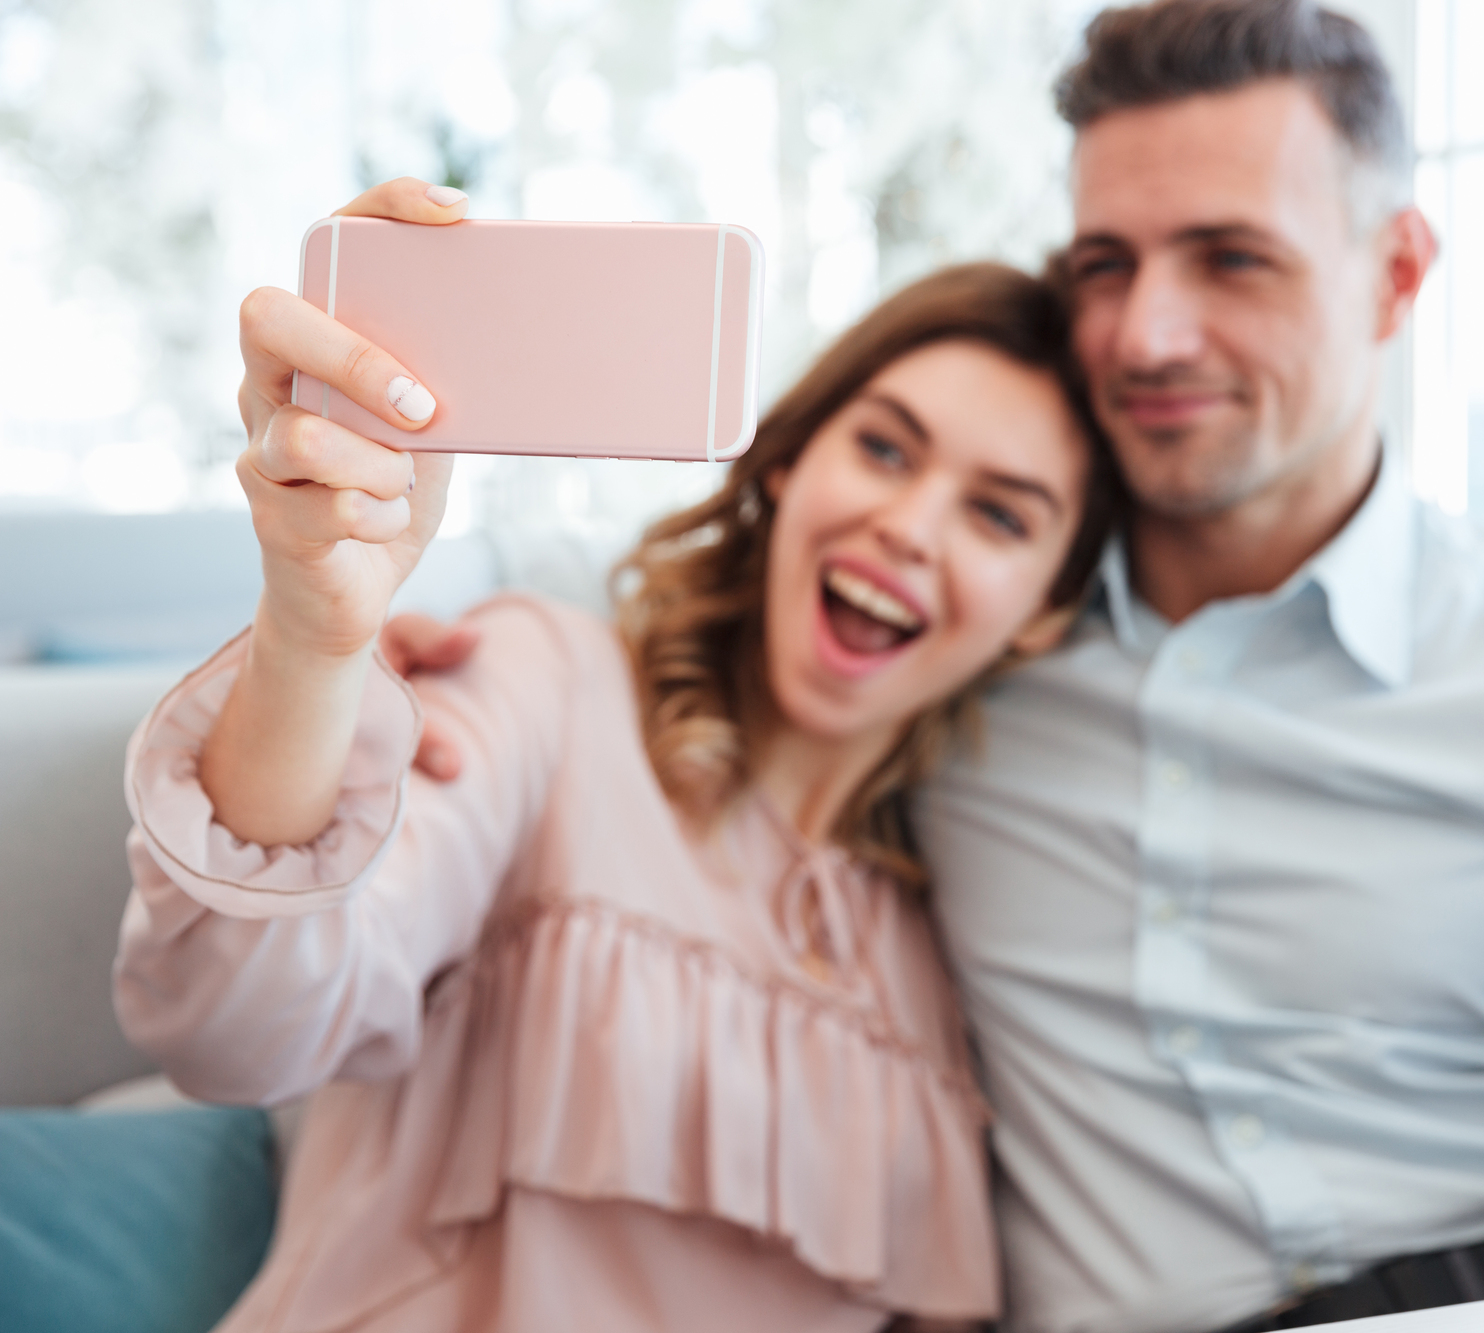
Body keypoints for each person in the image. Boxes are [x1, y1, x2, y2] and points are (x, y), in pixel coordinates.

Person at [387, 4, 1484, 1331]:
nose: (1146, 334)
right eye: (1105, 261)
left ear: (1398, 274)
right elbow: (699, 664)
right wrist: (373, 656)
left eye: (1232, 257)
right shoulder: (963, 641)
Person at [111, 176, 1119, 1333]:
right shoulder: (546, 684)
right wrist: (310, 633)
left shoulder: (933, 965)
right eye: (886, 449)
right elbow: (230, 1028)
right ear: (787, 462)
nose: (910, 525)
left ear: (1045, 607)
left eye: (999, 515)